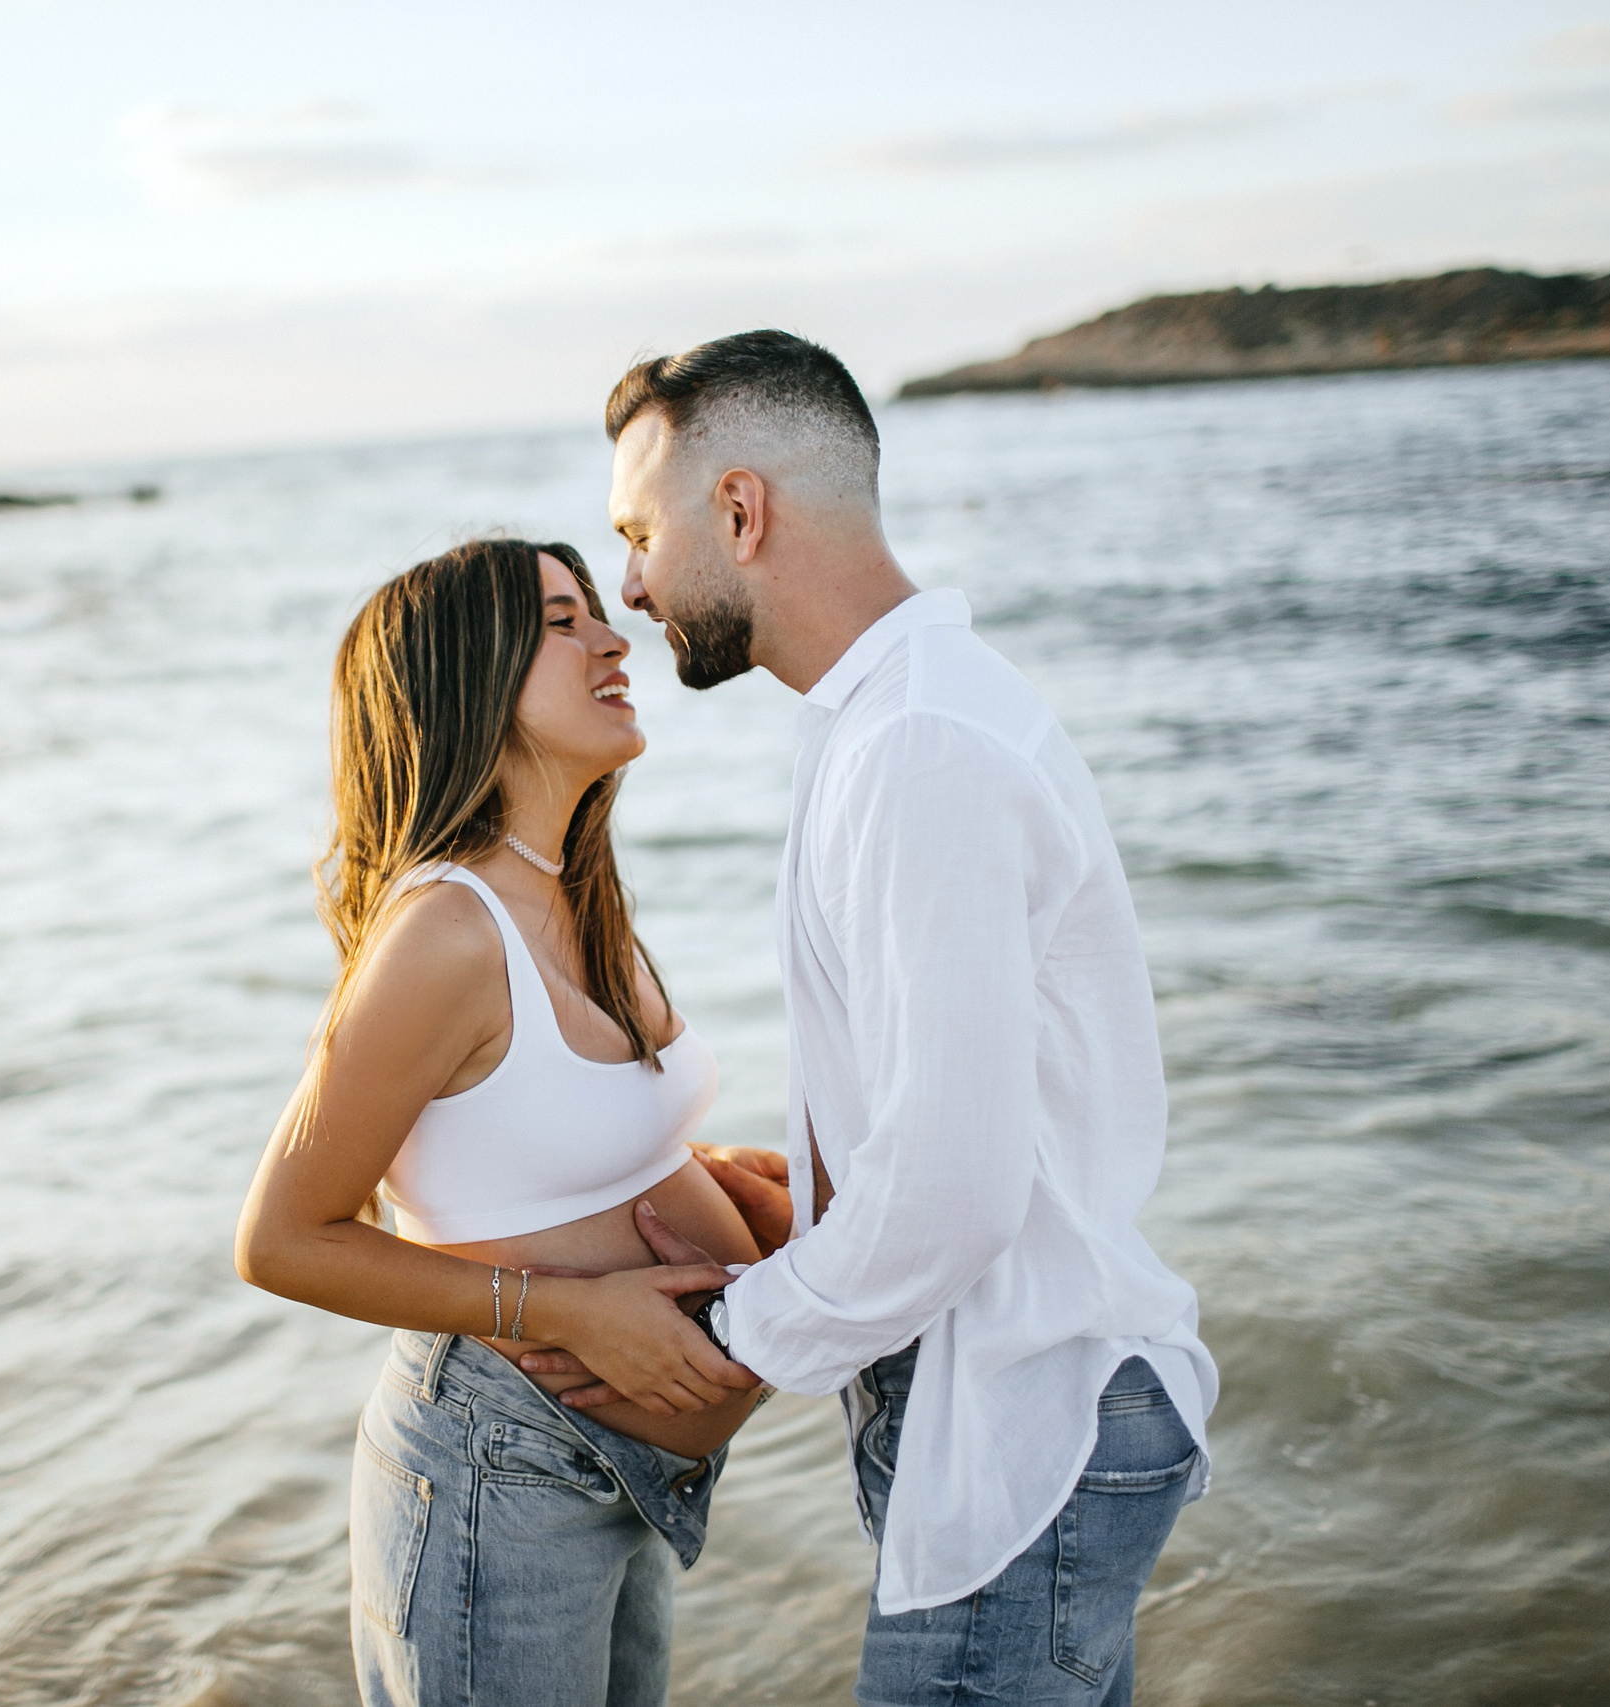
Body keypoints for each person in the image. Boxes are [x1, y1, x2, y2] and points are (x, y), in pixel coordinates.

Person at [516, 331, 1220, 1707]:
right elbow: (937, 1119)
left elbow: (951, 1192)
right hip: (1005, 1398)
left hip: (1019, 1410)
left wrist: (725, 1339)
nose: (636, 586)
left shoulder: (918, 744)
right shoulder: (883, 719)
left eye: (639, 534)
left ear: (741, 509)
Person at [234, 537, 778, 1707]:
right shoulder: (444, 931)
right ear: (466, 676)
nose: (613, 638)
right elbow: (279, 1238)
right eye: (562, 621)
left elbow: (535, 1138)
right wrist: (568, 1307)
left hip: (610, 1477)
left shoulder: (571, 888)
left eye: (597, 612)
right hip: (499, 1466)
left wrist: (713, 1179)